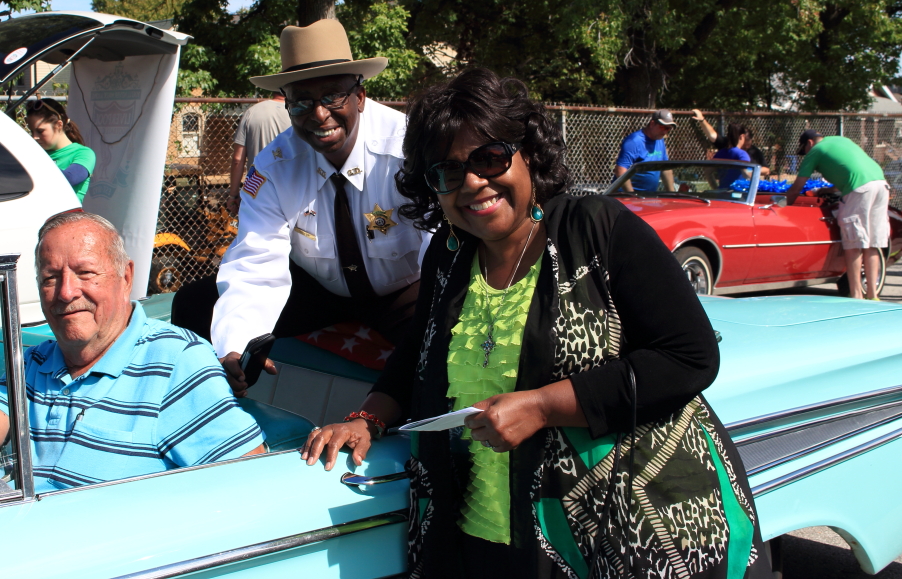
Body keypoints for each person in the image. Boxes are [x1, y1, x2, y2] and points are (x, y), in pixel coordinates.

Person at [301, 69, 770, 579]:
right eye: (449, 172)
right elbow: (417, 351)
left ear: (528, 152)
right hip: (481, 539)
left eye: (490, 157)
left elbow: (689, 357)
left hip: (620, 535)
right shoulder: (450, 253)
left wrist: (545, 406)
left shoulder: (598, 229)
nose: (474, 182)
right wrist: (366, 418)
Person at [190, 19, 429, 395]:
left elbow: (439, 245)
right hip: (323, 289)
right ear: (286, 104)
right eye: (301, 101)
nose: (318, 115)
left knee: (439, 347)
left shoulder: (410, 149)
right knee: (194, 304)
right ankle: (221, 424)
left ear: (360, 96)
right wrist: (237, 344)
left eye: (333, 95)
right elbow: (256, 259)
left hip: (405, 289)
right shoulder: (273, 166)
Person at [0, 213, 264, 491]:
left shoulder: (176, 361)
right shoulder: (36, 362)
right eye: (50, 278)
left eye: (85, 273)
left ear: (126, 278)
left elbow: (251, 483)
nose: (66, 292)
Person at [784, 130, 890, 299]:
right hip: (880, 184)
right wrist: (825, 190)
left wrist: (782, 206)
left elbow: (796, 188)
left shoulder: (815, 151)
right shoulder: (841, 140)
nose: (805, 154)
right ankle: (872, 294)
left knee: (853, 243)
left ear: (809, 143)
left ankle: (856, 296)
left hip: (860, 190)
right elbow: (850, 172)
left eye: (804, 150)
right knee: (872, 243)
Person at [226, 91, 291, 215]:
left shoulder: (252, 112)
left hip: (257, 190)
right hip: (292, 190)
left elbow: (237, 159)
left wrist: (233, 195)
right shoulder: (299, 112)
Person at [25, 98, 96, 204]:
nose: (34, 137)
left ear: (59, 125)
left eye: (40, 131)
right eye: (32, 131)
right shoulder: (33, 153)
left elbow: (69, 178)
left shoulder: (84, 153)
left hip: (65, 219)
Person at [613, 109, 675, 191]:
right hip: (625, 198)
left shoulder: (660, 140)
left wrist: (672, 193)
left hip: (648, 198)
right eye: (662, 127)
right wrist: (632, 196)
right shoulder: (634, 141)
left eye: (668, 128)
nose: (664, 131)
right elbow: (620, 170)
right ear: (652, 124)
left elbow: (665, 167)